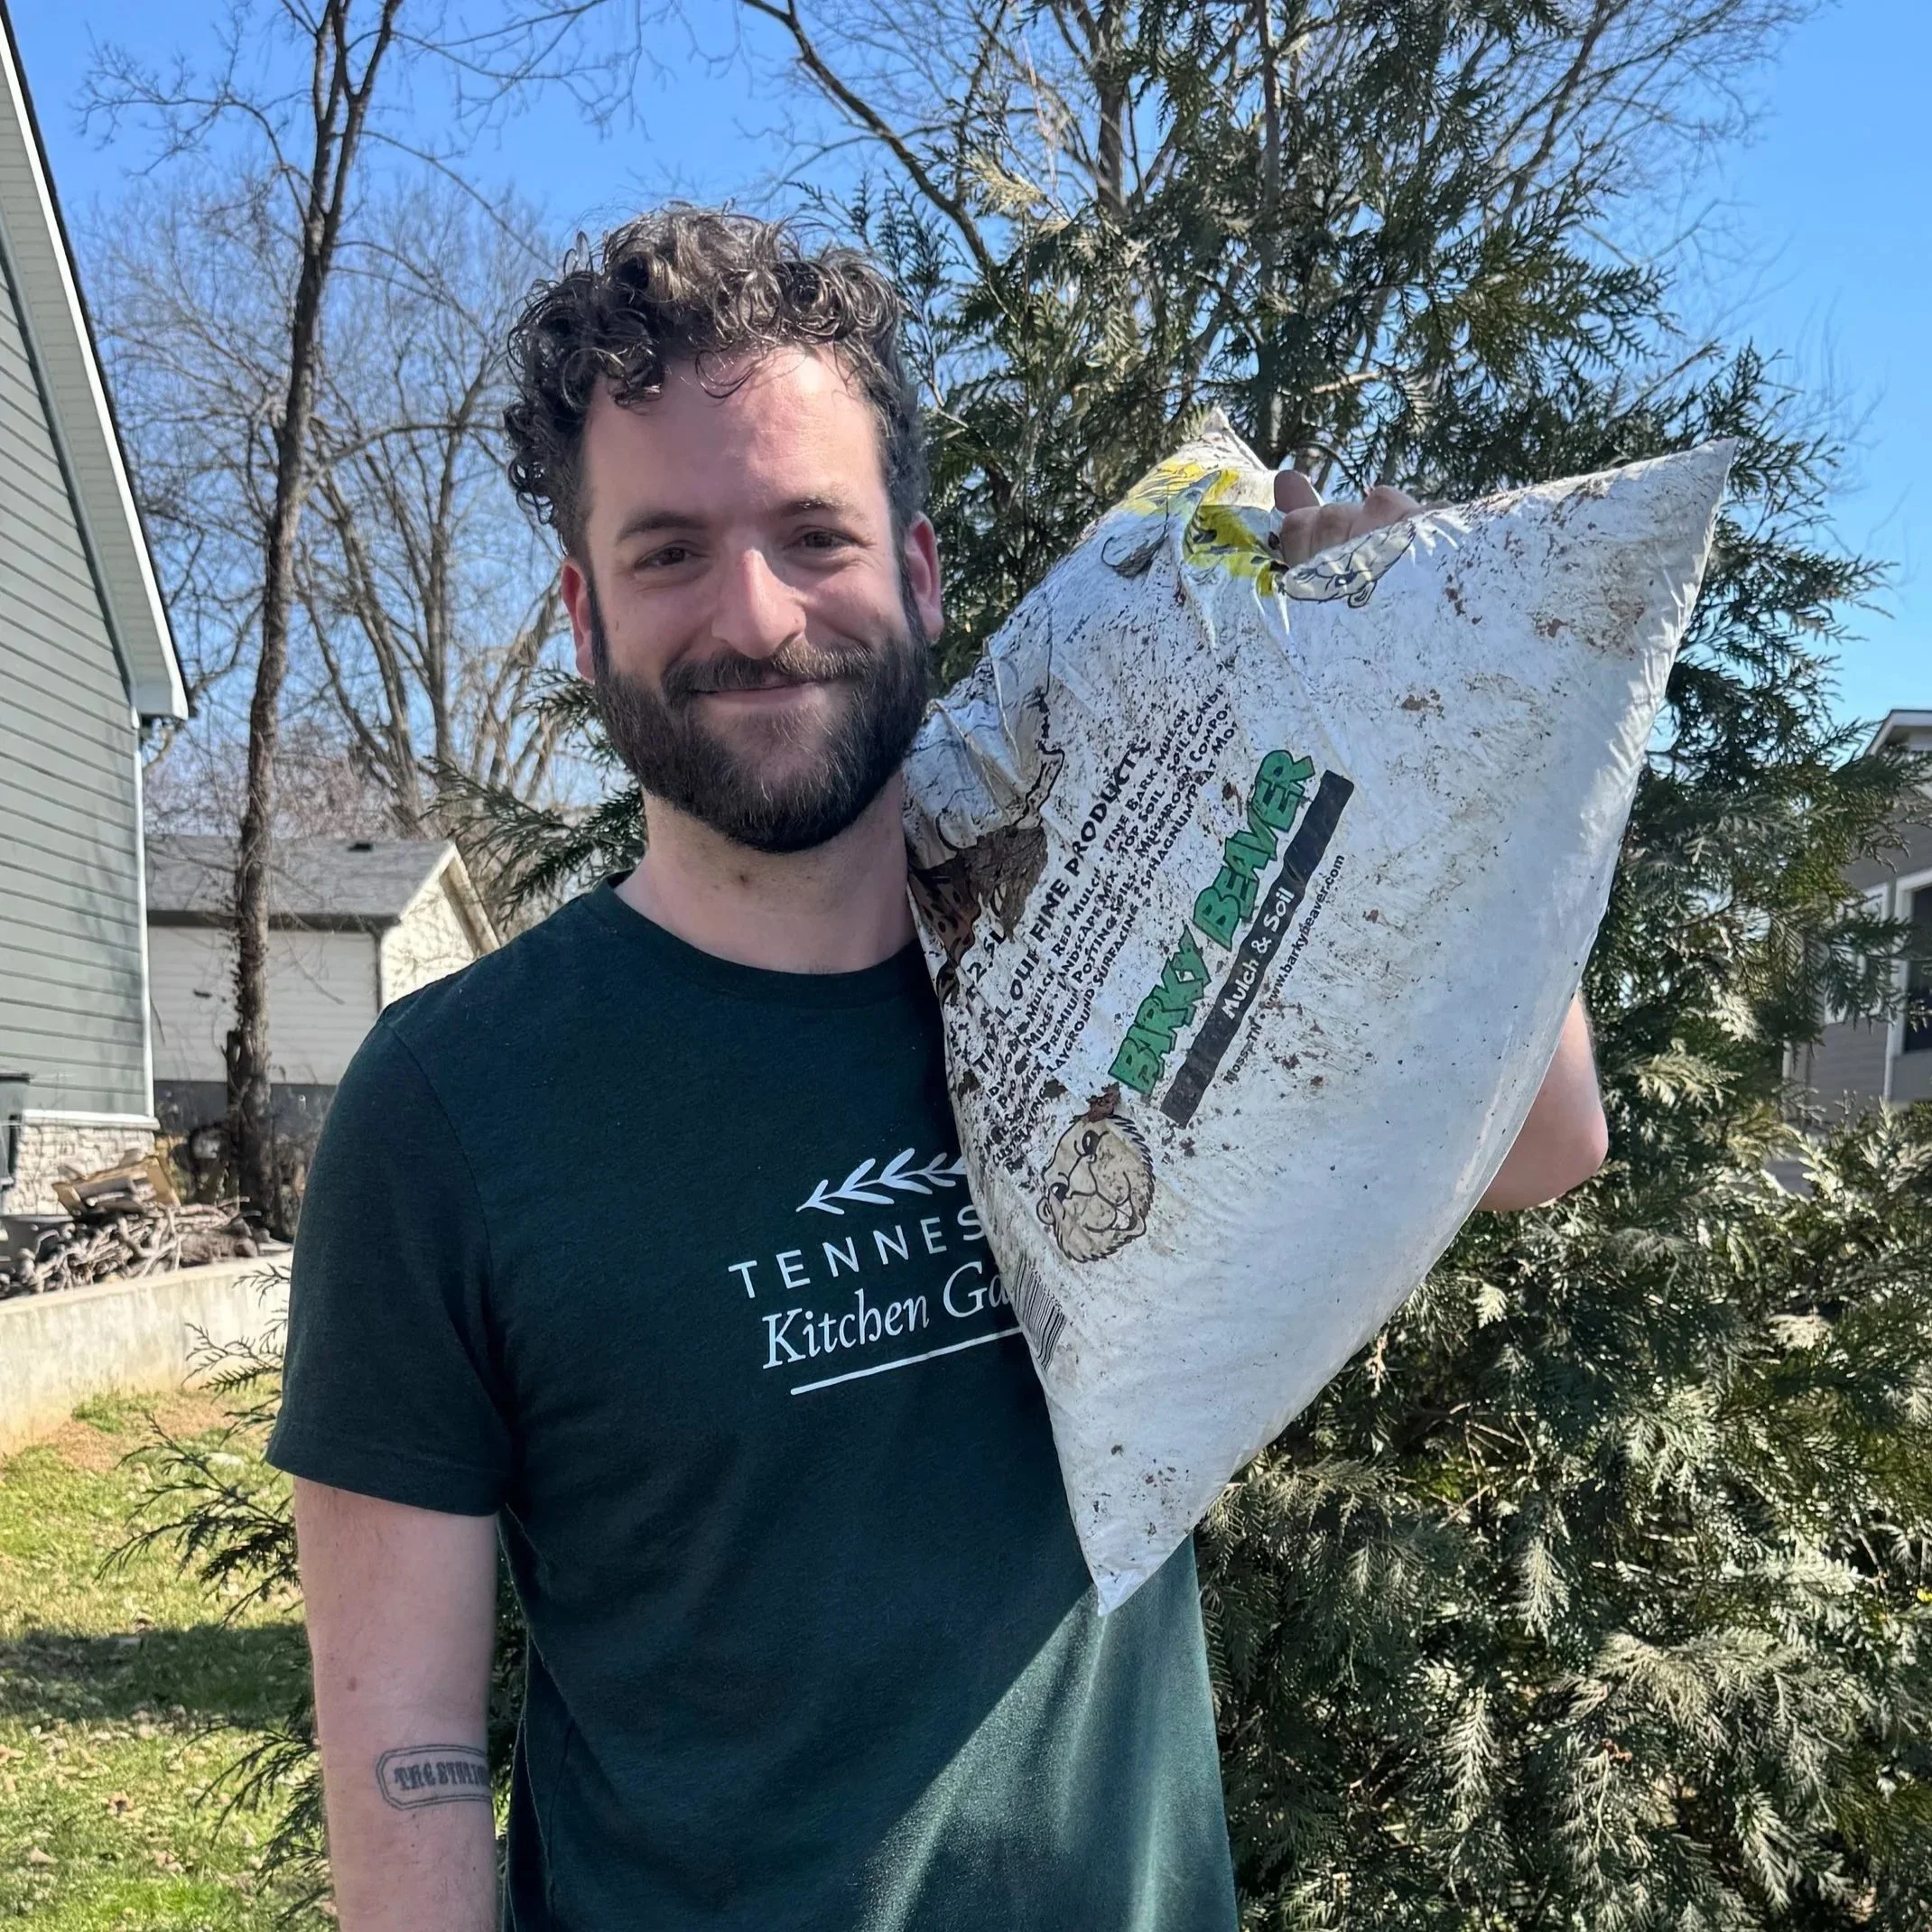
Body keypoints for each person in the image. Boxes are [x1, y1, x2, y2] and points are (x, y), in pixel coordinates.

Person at [268, 208, 1609, 1932]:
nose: (753, 615)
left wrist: (1438, 709)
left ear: (915, 571)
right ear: (585, 613)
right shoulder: (449, 1105)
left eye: (810, 534)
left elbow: (1546, 1141)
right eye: (670, 553)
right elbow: (409, 1755)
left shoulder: (1107, 947)